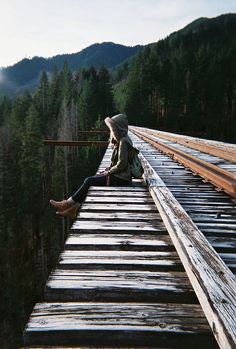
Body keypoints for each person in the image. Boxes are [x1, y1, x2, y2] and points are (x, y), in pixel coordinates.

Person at [50, 113, 133, 219]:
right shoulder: (124, 139)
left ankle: (67, 204)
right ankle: (72, 208)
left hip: (121, 179)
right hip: (121, 176)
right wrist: (110, 170)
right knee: (92, 179)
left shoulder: (123, 142)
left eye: (113, 129)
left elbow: (122, 164)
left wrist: (109, 171)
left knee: (89, 181)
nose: (111, 131)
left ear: (118, 128)